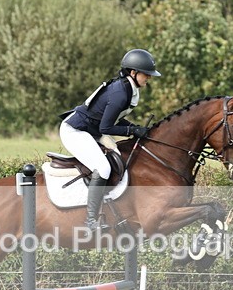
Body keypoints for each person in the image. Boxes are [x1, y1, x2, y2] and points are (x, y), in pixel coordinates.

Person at [59, 48, 161, 230]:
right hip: (75, 131)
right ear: (133, 72)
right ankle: (90, 221)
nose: (149, 78)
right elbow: (105, 128)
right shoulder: (120, 92)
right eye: (146, 74)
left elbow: (116, 117)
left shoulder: (128, 88)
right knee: (103, 168)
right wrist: (132, 130)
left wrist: (135, 128)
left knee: (119, 157)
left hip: (92, 130)